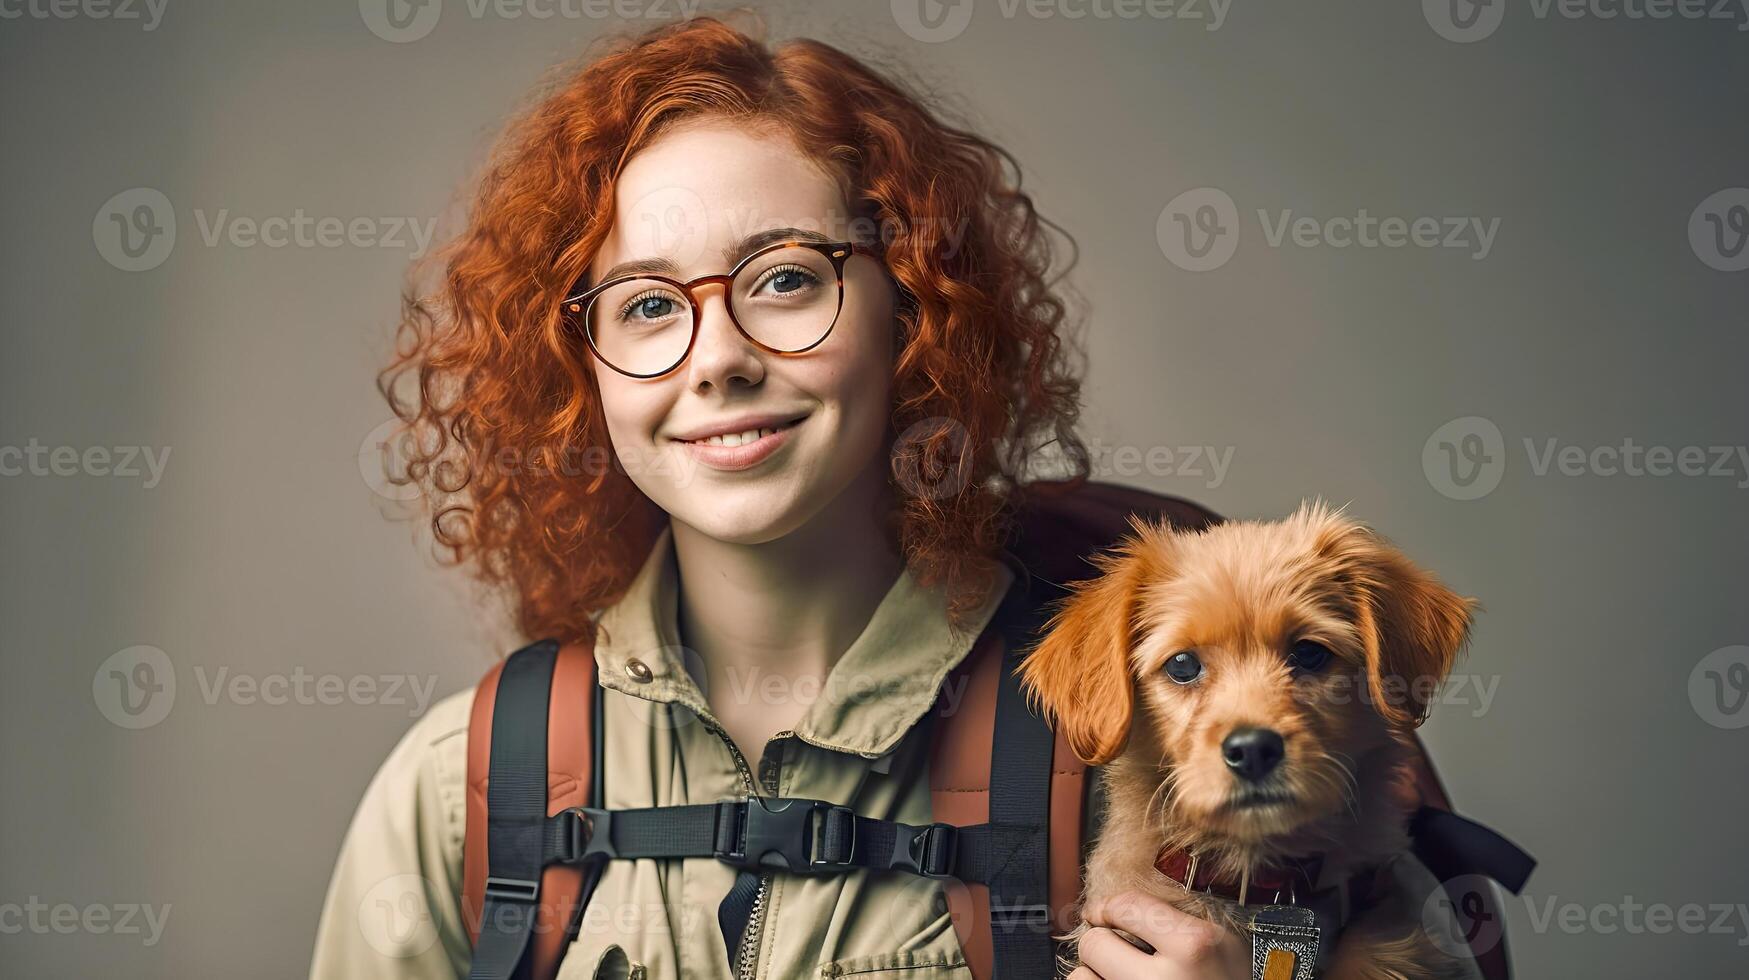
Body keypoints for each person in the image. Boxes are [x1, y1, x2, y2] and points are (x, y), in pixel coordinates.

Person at [311, 15, 1258, 979]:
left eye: (786, 279)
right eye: (644, 302)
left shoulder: (1147, 750)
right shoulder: (456, 792)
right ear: (576, 365)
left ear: (912, 309)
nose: (718, 357)